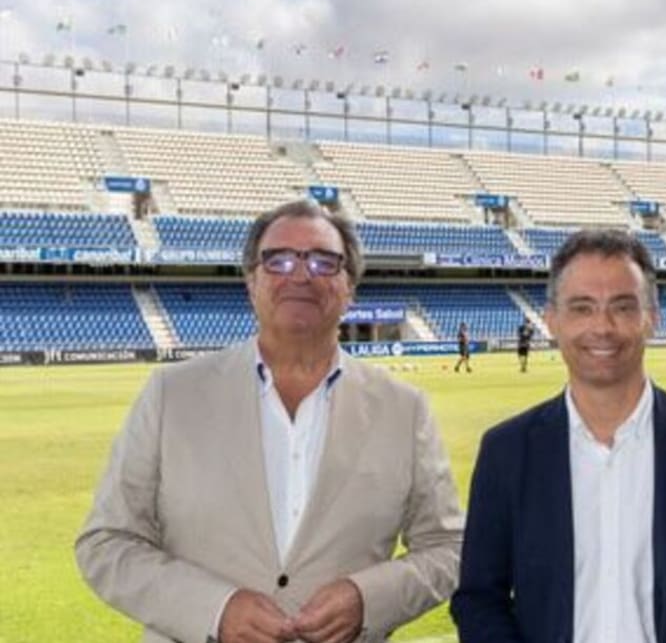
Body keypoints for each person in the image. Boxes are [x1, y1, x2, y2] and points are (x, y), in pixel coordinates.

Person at [75, 199, 464, 643]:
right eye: (277, 260)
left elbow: (448, 548)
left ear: (349, 287)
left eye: (323, 261)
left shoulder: (404, 409)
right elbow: (106, 543)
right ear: (251, 281)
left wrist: (368, 598)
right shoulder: (172, 395)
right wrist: (214, 609)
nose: (300, 274)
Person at [451, 229, 666, 643]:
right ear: (552, 320)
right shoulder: (506, 452)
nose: (603, 327)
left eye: (623, 307)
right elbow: (479, 599)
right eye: (582, 308)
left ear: (652, 316)